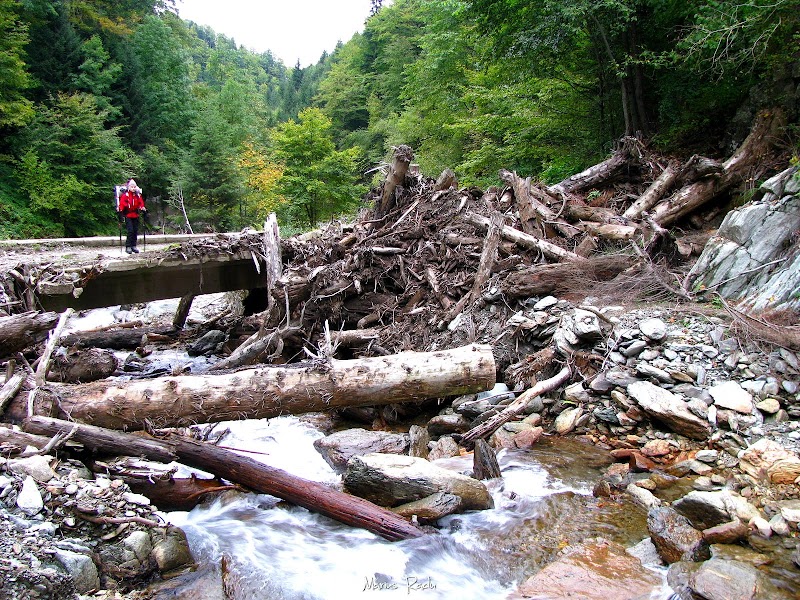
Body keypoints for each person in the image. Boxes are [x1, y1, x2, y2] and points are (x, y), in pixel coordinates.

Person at [118, 179, 146, 254]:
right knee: (130, 231)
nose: (133, 188)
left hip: (136, 215)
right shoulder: (125, 195)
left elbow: (141, 203)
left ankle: (134, 245)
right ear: (129, 187)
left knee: (135, 230)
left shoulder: (137, 195)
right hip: (128, 215)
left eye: (134, 187)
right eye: (132, 187)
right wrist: (120, 210)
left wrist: (142, 207)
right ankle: (128, 246)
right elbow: (122, 204)